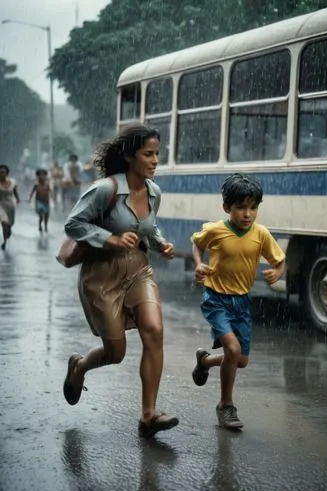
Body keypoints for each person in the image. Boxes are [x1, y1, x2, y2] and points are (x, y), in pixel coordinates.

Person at [62, 122, 179, 439]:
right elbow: (73, 224)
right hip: (102, 275)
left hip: (138, 269)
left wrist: (160, 243)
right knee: (115, 353)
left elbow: (147, 228)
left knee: (154, 331)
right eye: (148, 154)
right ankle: (80, 366)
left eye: (158, 154)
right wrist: (109, 239)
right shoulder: (105, 189)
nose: (155, 161)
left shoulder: (154, 192)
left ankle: (148, 415)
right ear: (130, 156)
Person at [191, 173, 285, 430]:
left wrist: (277, 272)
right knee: (232, 351)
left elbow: (279, 260)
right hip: (216, 299)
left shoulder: (261, 234)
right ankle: (225, 406)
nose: (247, 214)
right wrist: (199, 264)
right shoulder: (215, 230)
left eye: (253, 207)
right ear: (226, 207)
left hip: (241, 302)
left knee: (240, 360)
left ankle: (205, 361)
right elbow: (197, 244)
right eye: (241, 207)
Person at [0, 164, 20, 251]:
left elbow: (15, 192)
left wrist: (18, 199)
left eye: (3, 172)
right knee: (4, 223)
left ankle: (8, 231)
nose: (2, 174)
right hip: (0, 205)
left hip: (10, 206)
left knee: (9, 224)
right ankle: (4, 242)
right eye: (0, 172)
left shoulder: (12, 182)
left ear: (7, 173)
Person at [28, 168, 53, 233]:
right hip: (39, 202)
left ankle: (45, 227)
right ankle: (40, 225)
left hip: (46, 202)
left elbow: (50, 192)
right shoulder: (36, 184)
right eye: (40, 175)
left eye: (43, 175)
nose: (42, 176)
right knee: (41, 215)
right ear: (37, 176)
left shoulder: (47, 184)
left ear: (45, 176)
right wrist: (30, 199)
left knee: (47, 216)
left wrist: (53, 199)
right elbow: (32, 192)